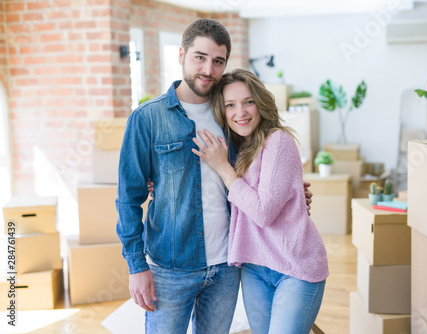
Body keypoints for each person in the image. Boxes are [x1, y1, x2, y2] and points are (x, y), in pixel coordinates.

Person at [115, 19, 313, 333]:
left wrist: (289, 193)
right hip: (171, 268)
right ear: (181, 54)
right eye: (200, 57)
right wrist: (136, 266)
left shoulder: (231, 114)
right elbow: (128, 198)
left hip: (228, 265)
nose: (208, 69)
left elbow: (258, 174)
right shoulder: (147, 118)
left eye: (217, 61)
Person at [192, 68, 329, 334]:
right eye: (230, 105)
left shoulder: (277, 141)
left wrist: (224, 169)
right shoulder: (237, 147)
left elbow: (263, 213)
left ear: (261, 103)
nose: (239, 112)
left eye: (248, 102)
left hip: (294, 267)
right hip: (255, 267)